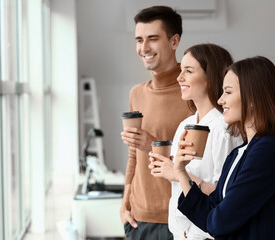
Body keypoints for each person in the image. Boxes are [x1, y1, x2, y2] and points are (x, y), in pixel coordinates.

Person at [174, 56, 275, 240]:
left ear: (252, 98)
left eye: (228, 92)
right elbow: (210, 213)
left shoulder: (270, 150)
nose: (221, 100)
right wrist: (180, 172)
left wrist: (214, 217)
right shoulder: (239, 153)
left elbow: (219, 221)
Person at [148, 43, 242, 239]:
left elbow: (225, 196)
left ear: (210, 77)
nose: (179, 77)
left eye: (188, 71)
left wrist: (178, 174)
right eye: (181, 70)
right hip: (180, 234)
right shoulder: (186, 125)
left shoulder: (223, 129)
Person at [120, 6, 194, 240]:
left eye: (152, 39)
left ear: (174, 41)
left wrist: (153, 145)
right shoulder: (136, 93)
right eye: (139, 40)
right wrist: (125, 203)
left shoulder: (194, 89)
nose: (144, 48)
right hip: (138, 219)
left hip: (180, 216)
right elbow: (133, 156)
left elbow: (206, 159)